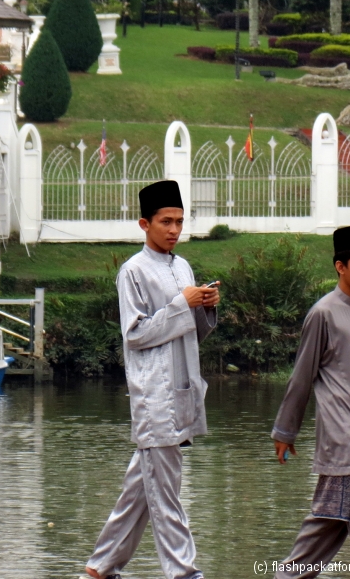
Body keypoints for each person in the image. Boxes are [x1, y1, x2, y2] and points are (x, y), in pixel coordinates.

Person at [84, 180, 219, 579]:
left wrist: (205, 307)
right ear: (145, 223)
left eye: (179, 221)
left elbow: (190, 330)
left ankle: (100, 567)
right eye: (166, 221)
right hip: (155, 395)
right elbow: (136, 334)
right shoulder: (133, 271)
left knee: (142, 490)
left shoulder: (182, 266)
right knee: (166, 493)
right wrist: (183, 304)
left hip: (182, 388)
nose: (174, 229)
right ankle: (185, 572)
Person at [272, 225, 350, 579]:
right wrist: (285, 431)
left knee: (330, 522)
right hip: (343, 436)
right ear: (340, 267)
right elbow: (302, 377)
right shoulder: (323, 314)